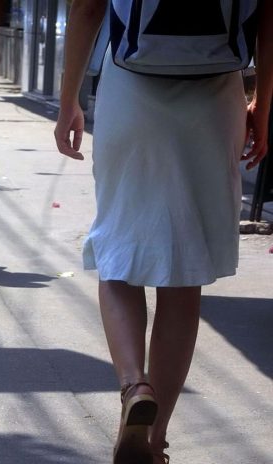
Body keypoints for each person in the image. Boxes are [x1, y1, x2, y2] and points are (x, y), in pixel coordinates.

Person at [54, 1, 272, 463]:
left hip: (132, 88)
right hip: (216, 98)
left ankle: (135, 384)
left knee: (117, 253)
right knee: (183, 274)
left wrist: (68, 98)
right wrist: (264, 107)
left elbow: (88, 7)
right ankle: (154, 442)